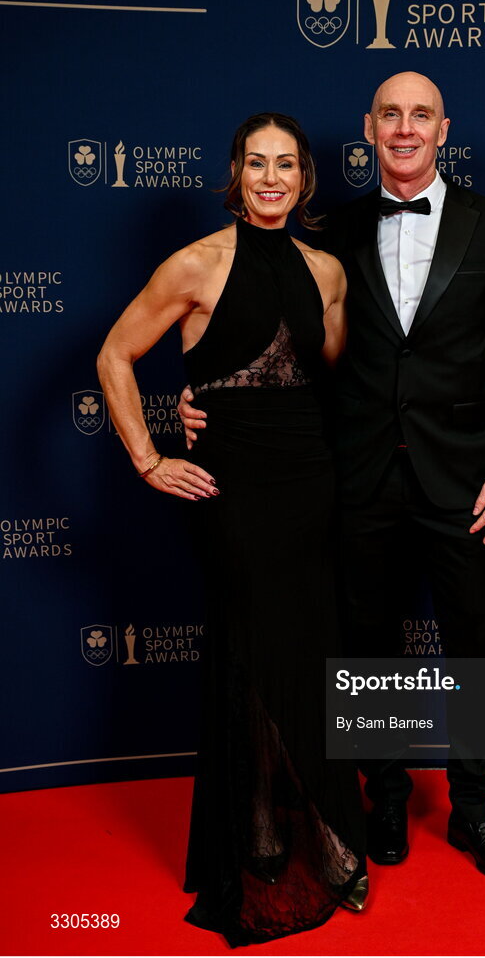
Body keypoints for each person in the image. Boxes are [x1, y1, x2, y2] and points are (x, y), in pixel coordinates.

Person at [181, 73, 485, 885]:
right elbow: (276, 334)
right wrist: (197, 387)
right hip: (357, 478)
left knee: (475, 649)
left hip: (468, 484)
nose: (404, 129)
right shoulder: (330, 231)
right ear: (368, 129)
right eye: (390, 116)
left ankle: (475, 811)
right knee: (366, 649)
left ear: (443, 129)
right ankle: (380, 796)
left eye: (420, 116)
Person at [97, 112, 367, 948]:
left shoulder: (326, 271)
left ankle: (322, 825)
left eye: (287, 165)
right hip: (232, 487)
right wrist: (148, 457)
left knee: (310, 650)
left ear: (305, 178)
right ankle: (256, 830)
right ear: (236, 173)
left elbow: (328, 381)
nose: (272, 179)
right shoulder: (194, 263)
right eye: (258, 164)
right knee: (251, 648)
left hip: (310, 484)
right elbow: (114, 355)